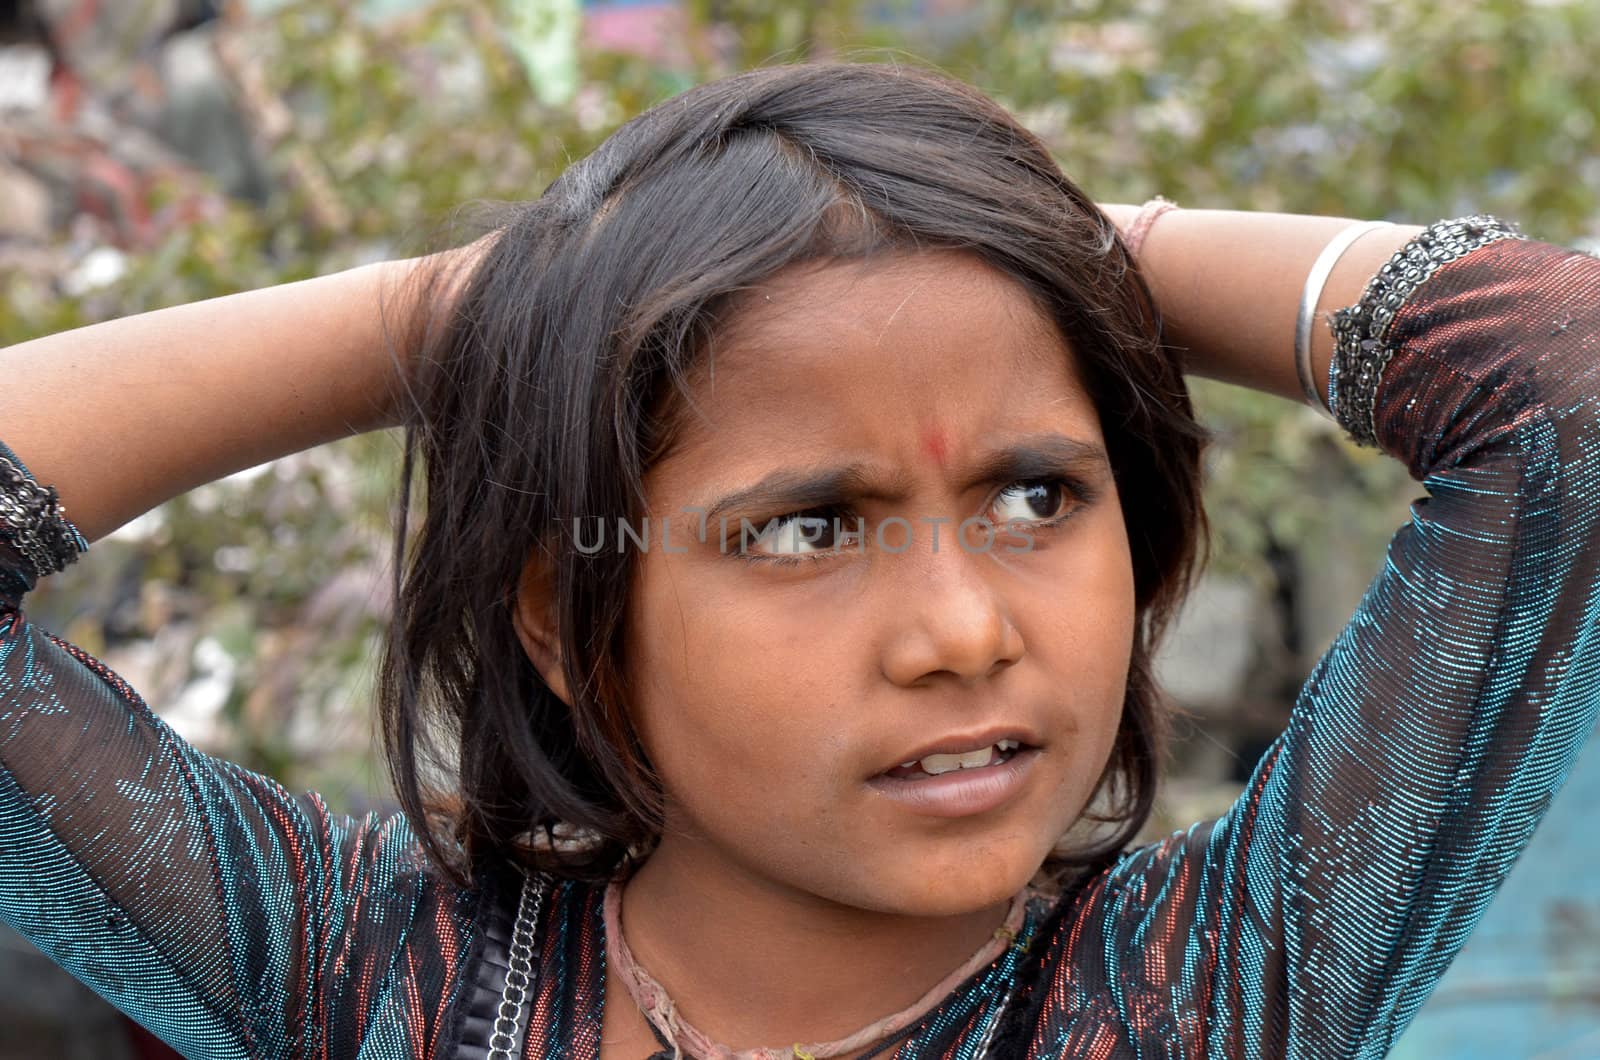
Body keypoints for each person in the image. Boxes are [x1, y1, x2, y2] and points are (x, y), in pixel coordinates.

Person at [1, 61, 1596, 1060]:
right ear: (569, 618)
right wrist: (500, 308)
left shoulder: (1216, 990)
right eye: (810, 527)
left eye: (1038, 496)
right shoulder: (372, 982)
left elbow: (1566, 382)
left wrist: (1042, 239)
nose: (964, 630)